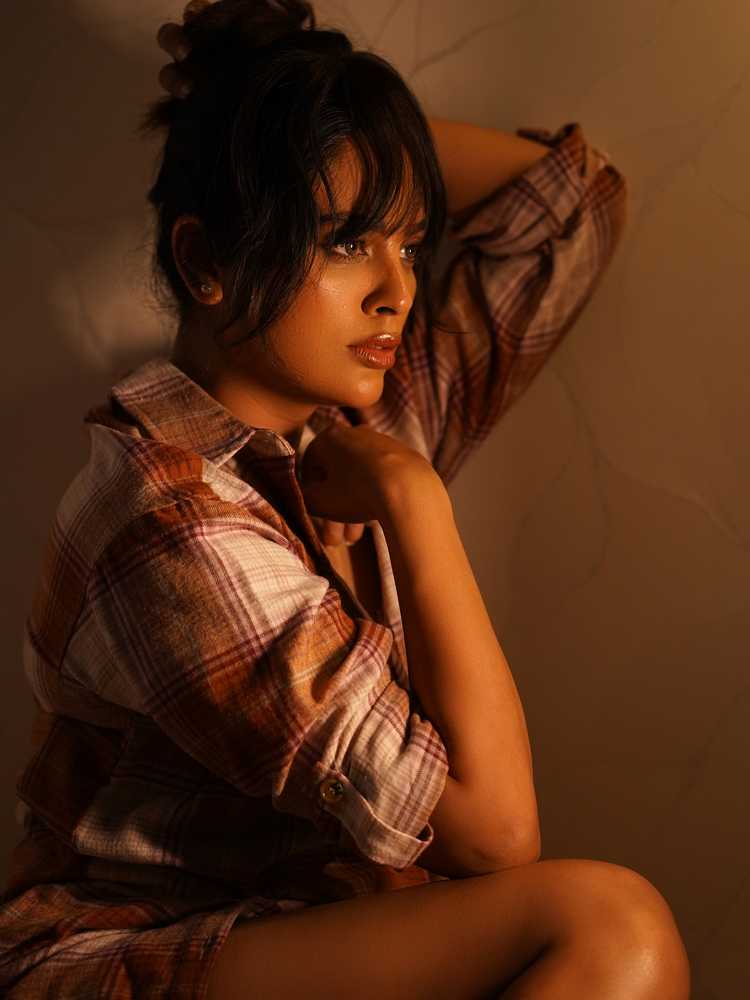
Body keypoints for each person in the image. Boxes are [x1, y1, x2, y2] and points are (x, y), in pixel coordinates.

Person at [0, 1, 690, 997]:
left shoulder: (354, 425)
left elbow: (572, 206)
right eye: (346, 242)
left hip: (306, 936)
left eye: (411, 243)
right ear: (205, 262)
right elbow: (496, 834)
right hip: (126, 959)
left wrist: (332, 123)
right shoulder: (169, 522)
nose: (396, 290)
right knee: (613, 927)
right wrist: (414, 500)